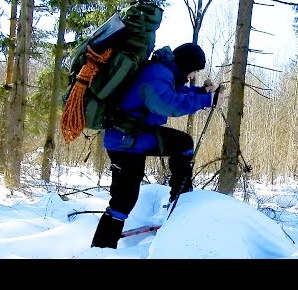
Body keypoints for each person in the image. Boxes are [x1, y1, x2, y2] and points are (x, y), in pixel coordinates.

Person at [90, 43, 225, 249]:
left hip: (136, 137)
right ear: (185, 65)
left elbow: (177, 94)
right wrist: (207, 99)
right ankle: (101, 249)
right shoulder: (158, 74)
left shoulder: (165, 72)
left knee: (183, 143)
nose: (191, 76)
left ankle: (180, 198)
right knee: (123, 200)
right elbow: (167, 104)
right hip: (125, 142)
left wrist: (202, 93)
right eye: (193, 71)